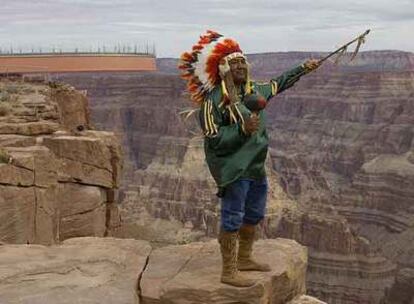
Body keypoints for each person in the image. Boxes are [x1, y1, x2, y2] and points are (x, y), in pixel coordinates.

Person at [179, 30, 319, 287]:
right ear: (223, 68)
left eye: (243, 62)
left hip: (255, 165)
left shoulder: (257, 90)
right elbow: (213, 138)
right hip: (232, 168)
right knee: (232, 215)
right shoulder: (213, 101)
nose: (241, 66)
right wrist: (241, 129)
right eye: (235, 63)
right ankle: (229, 271)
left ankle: (244, 258)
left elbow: (281, 81)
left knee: (253, 213)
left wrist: (304, 67)